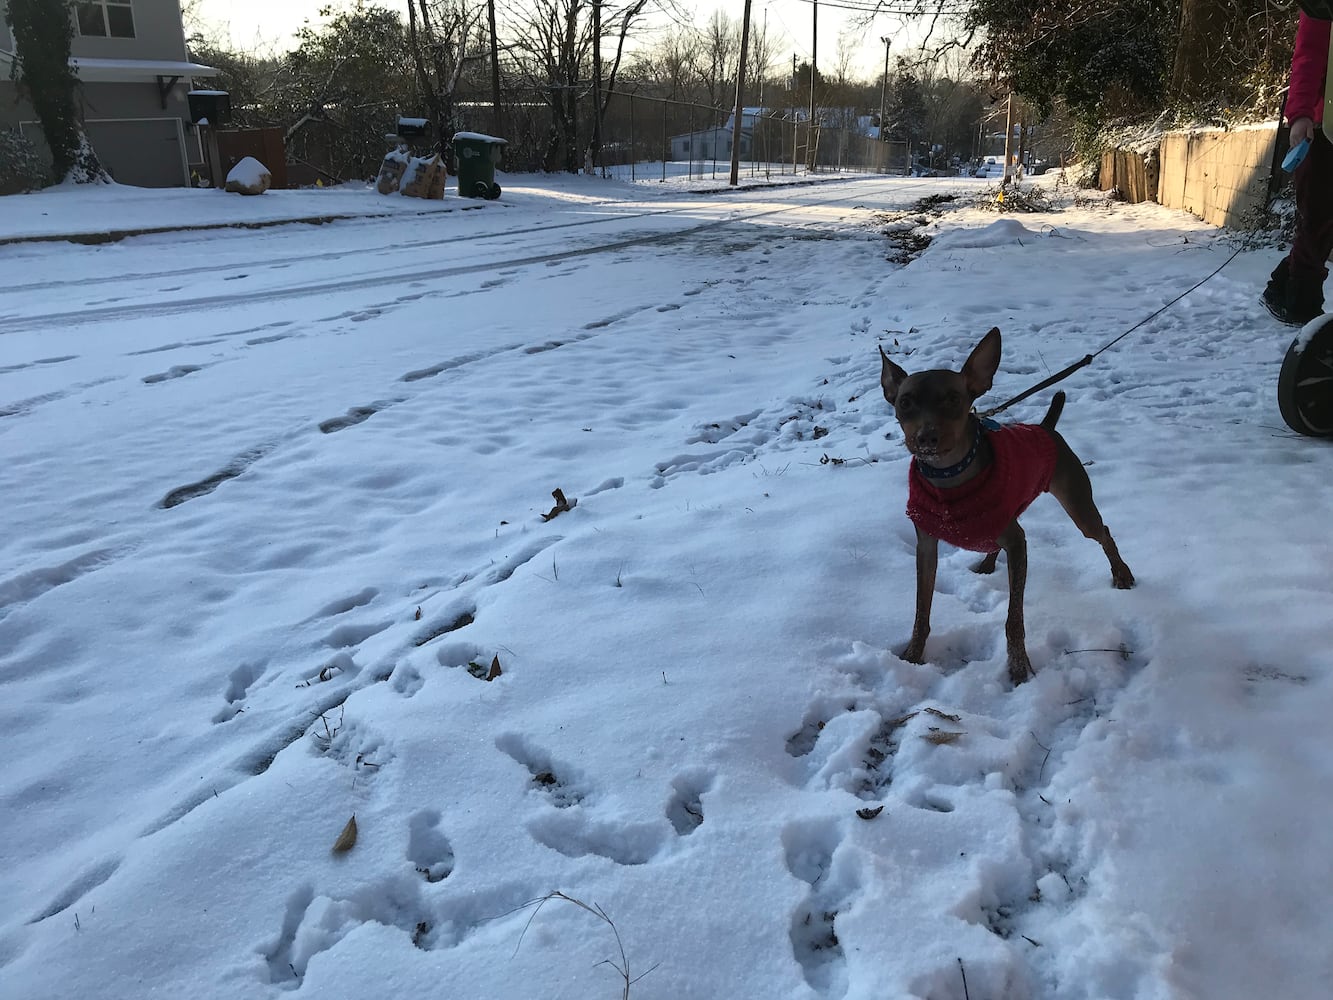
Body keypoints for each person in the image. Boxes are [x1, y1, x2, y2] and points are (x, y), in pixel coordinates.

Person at [1265, 6, 1333, 326]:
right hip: (1321, 128)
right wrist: (1301, 113)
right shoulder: (1322, 6)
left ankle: (1282, 288)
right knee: (1318, 217)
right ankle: (1300, 305)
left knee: (1320, 224)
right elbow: (1308, 54)